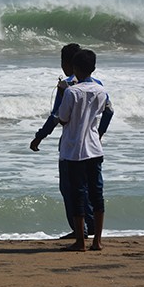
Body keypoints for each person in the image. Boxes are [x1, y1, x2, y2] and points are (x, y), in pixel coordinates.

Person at [30, 44, 113, 239]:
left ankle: (79, 231)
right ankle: (91, 227)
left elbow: (56, 117)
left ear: (69, 64)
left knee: (70, 188)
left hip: (72, 146)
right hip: (93, 146)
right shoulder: (98, 85)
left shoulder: (66, 86)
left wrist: (40, 136)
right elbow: (109, 111)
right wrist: (99, 133)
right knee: (91, 189)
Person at [57, 49, 110, 251]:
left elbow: (63, 118)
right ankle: (97, 241)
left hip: (74, 150)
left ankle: (80, 241)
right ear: (93, 69)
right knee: (97, 194)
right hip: (95, 148)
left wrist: (62, 92)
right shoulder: (101, 90)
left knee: (78, 194)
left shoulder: (71, 92)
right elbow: (105, 112)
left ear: (75, 68)